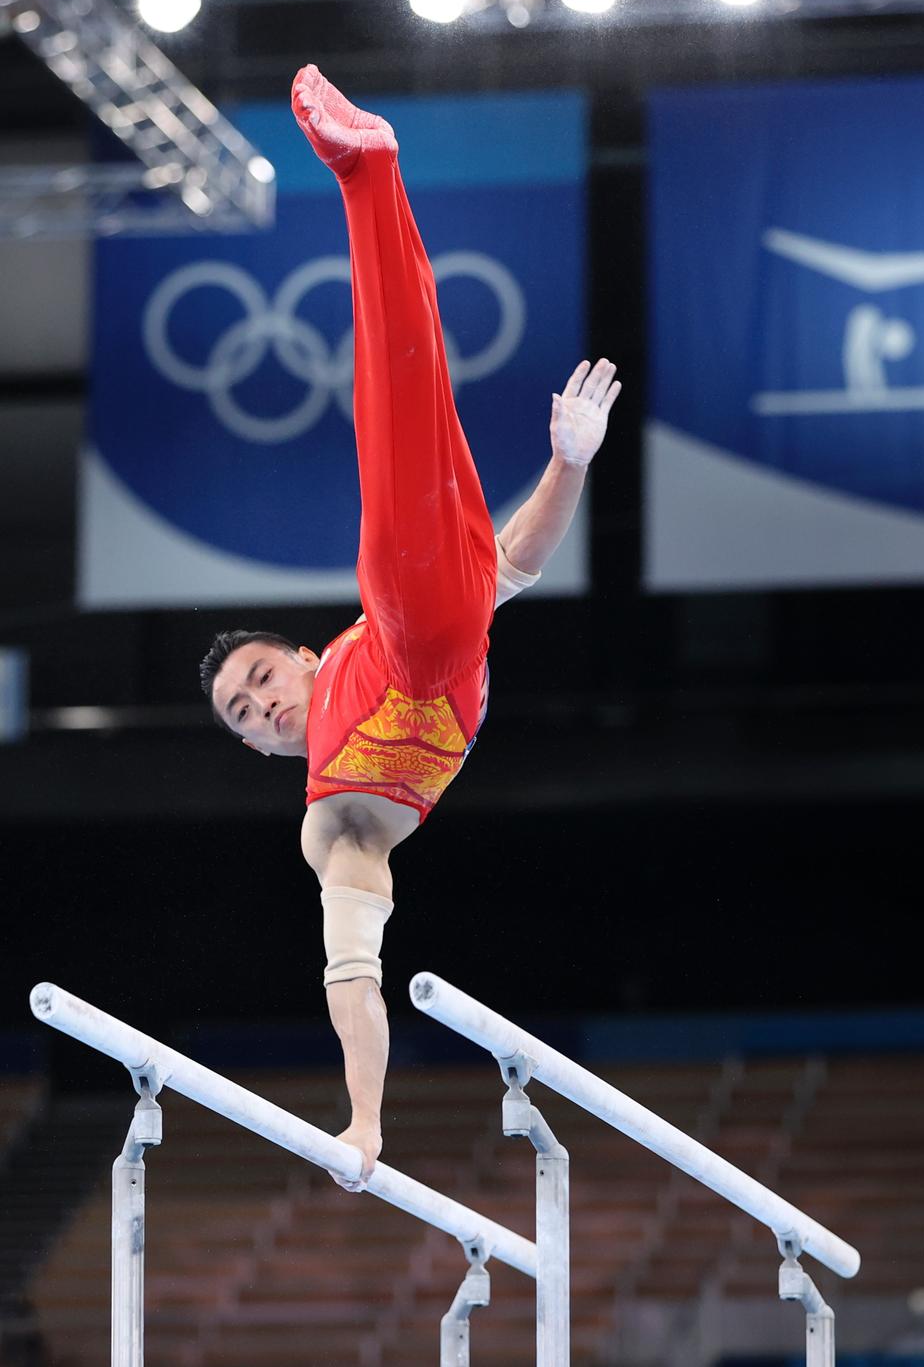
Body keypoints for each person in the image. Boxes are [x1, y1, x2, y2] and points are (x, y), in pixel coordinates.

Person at [200, 66, 621, 1188]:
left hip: (406, 614)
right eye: (246, 714)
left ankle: (368, 172)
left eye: (256, 677)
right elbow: (355, 975)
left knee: (399, 379)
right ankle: (366, 172)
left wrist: (561, 466)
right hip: (441, 634)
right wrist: (365, 1119)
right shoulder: (333, 826)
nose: (262, 701)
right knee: (402, 385)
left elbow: (511, 564)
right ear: (257, 746)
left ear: (295, 657)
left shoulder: (341, 652)